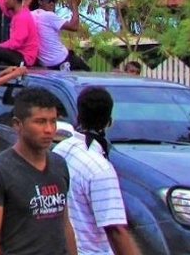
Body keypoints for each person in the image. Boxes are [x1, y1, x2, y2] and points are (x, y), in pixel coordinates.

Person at [0, 87, 77, 255]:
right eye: (40, 122)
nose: (49, 129)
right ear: (18, 124)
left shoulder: (59, 164)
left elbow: (64, 223)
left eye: (53, 121)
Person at [52, 86, 139, 255]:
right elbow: (115, 230)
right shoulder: (100, 168)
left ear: (78, 116)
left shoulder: (60, 150)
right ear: (109, 121)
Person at [30, 0, 90, 71]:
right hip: (62, 59)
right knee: (90, 76)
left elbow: (20, 14)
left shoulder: (31, 15)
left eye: (54, 0)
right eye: (49, 0)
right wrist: (75, 6)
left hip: (46, 64)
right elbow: (74, 26)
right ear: (40, 2)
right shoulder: (48, 15)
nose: (52, 3)